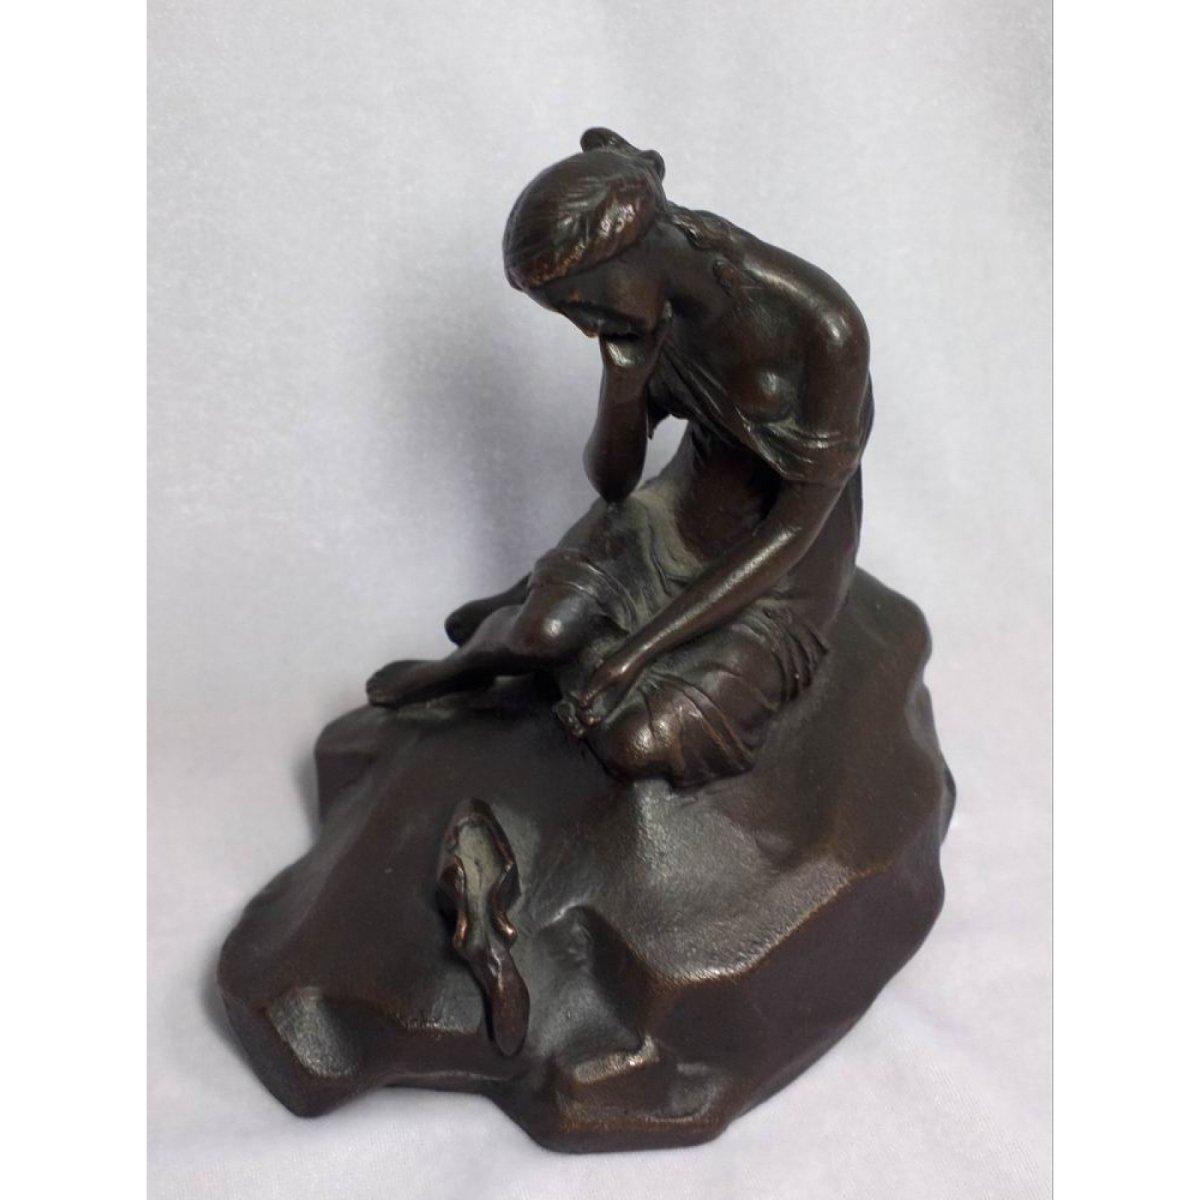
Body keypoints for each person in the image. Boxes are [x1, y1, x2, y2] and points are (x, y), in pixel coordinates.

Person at [367, 128, 874, 788]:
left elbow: (790, 534)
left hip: (779, 579)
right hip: (669, 522)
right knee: (542, 633)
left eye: (583, 304)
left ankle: (542, 619)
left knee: (631, 742)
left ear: (636, 252)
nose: (586, 328)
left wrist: (637, 654)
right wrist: (624, 385)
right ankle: (476, 661)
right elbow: (613, 483)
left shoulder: (822, 329)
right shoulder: (653, 316)